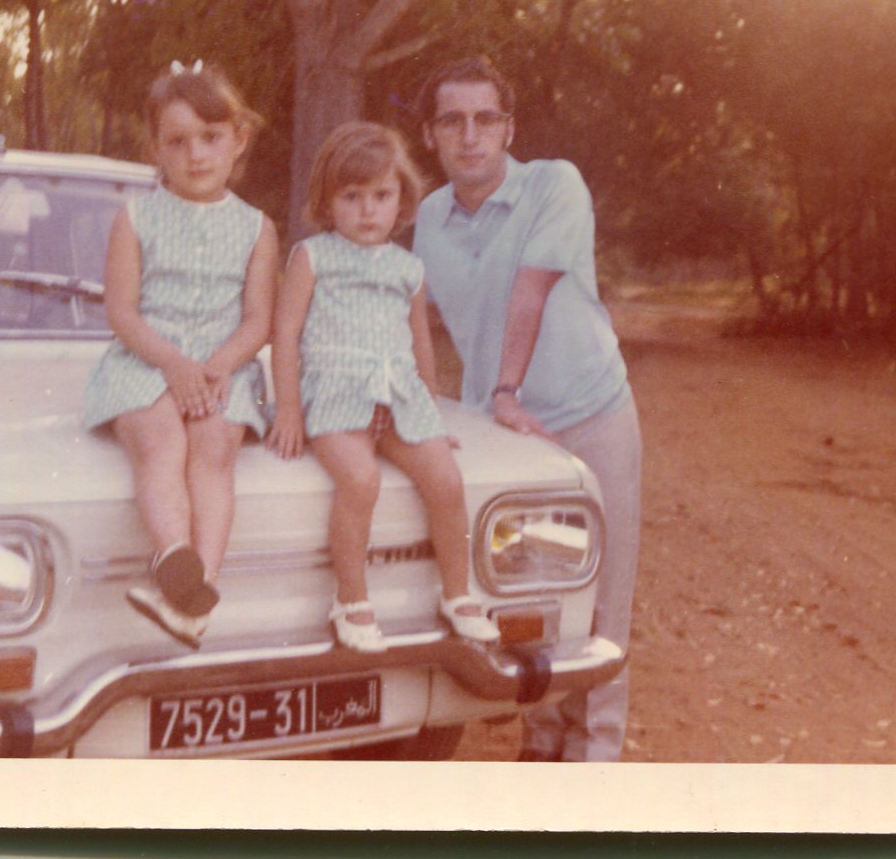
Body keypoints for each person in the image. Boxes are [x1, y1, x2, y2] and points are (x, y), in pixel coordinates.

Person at [412, 56, 642, 762]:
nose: (470, 135)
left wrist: (507, 391)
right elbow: (412, 320)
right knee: (534, 595)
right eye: (453, 121)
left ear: (508, 127)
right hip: (506, 436)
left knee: (602, 598)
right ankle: (540, 745)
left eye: (486, 119)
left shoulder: (555, 184)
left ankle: (594, 757)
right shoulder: (426, 218)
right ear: (431, 135)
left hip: (586, 411)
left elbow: (530, 291)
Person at [266, 121, 500, 652]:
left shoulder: (407, 268)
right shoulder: (313, 256)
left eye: (381, 195)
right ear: (328, 202)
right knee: (360, 479)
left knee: (445, 480)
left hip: (398, 399)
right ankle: (351, 600)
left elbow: (419, 347)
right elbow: (285, 334)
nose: (368, 210)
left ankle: (458, 593)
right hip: (334, 397)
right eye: (352, 197)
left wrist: (432, 417)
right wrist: (288, 411)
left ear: (403, 199)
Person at [83, 60, 277, 650]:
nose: (196, 154)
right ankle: (173, 558)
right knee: (162, 441)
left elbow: (258, 320)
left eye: (211, 137)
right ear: (156, 150)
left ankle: (199, 591)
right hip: (146, 361)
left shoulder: (255, 227)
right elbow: (122, 312)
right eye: (178, 141)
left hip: (223, 366)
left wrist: (215, 368)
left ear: (238, 140)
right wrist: (172, 365)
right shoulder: (135, 217)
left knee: (215, 448)